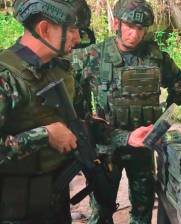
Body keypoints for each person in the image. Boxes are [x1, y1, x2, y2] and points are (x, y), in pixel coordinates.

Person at [0, 0, 151, 223]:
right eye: (72, 30)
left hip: (54, 203)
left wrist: (126, 137)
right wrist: (44, 135)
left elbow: (82, 125)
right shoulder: (6, 78)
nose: (78, 38)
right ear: (44, 29)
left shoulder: (61, 70)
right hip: (14, 211)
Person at [72, 0, 181, 223]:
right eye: (130, 26)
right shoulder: (93, 56)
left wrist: (163, 123)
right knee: (101, 211)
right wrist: (85, 118)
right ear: (117, 23)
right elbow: (72, 89)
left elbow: (178, 89)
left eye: (140, 28)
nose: (135, 33)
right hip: (106, 148)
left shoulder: (156, 58)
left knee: (143, 211)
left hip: (142, 145)